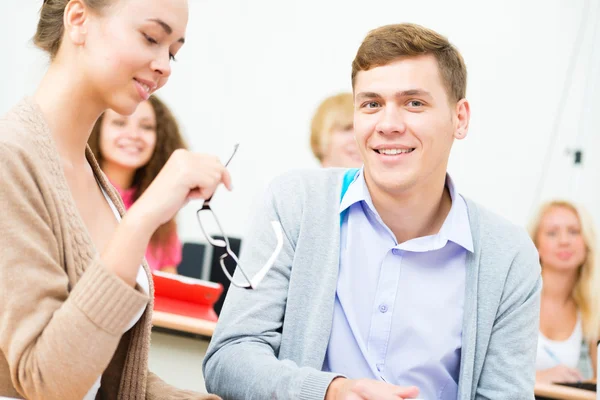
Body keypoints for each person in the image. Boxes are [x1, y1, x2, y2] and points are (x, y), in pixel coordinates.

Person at [203, 22, 542, 400]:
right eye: (371, 104)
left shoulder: (509, 255)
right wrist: (329, 392)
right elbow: (229, 360)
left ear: (459, 118)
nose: (388, 124)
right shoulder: (296, 203)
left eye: (414, 103)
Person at [0, 0, 228, 398]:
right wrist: (143, 218)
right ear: (78, 19)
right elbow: (48, 381)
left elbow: (109, 376)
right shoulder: (10, 159)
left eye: (173, 52)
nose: (165, 66)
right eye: (151, 38)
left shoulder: (96, 183)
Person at [89, 95, 186, 274]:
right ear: (96, 129)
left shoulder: (162, 211)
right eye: (119, 123)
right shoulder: (79, 193)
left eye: (146, 127)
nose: (134, 135)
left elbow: (168, 290)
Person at [529, 201, 599, 383]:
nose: (564, 241)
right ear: (536, 245)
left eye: (574, 232)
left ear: (587, 242)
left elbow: (595, 383)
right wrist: (539, 378)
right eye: (552, 233)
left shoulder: (593, 313)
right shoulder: (514, 300)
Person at [310, 92, 362, 168]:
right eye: (347, 128)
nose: (359, 138)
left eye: (361, 129)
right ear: (321, 137)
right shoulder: (297, 179)